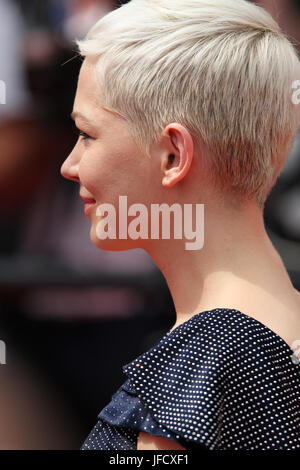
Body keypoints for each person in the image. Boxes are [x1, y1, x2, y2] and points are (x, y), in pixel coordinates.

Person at [60, 0, 300, 450]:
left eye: (87, 135)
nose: (70, 166)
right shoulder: (271, 334)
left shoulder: (210, 359)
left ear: (173, 155)